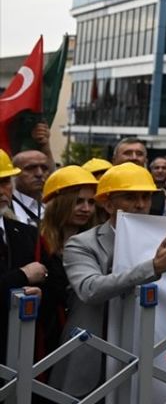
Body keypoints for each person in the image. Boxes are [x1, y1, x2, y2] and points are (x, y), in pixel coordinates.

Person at [53, 163, 166, 397]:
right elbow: (90, 289)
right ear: (107, 204)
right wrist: (154, 267)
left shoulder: (164, 242)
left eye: (145, 197)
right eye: (129, 197)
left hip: (152, 356)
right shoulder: (82, 244)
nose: (140, 205)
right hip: (94, 358)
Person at [36, 165, 98, 363]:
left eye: (91, 202)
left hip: (87, 336)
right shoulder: (36, 241)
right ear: (59, 203)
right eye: (78, 201)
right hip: (46, 336)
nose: (86, 209)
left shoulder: (97, 243)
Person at [0, 150, 45, 363]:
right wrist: (22, 276)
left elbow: (46, 278)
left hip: (19, 347)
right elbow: (26, 274)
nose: (2, 191)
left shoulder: (25, 232)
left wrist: (39, 291)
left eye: (5, 182)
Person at [11, 149, 51, 225]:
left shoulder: (52, 205)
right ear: (14, 173)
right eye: (30, 168)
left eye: (44, 168)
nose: (39, 174)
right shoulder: (5, 206)